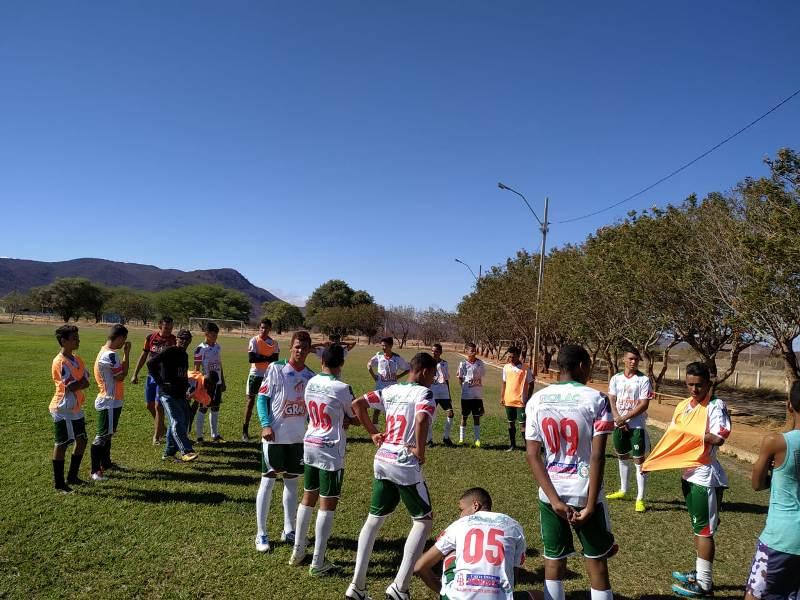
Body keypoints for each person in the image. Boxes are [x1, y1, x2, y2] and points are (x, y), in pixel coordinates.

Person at [525, 344, 616, 600]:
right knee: (596, 561)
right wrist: (589, 506)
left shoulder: (537, 400)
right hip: (584, 492)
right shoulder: (596, 399)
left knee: (554, 560)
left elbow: (533, 454)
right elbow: (598, 456)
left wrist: (554, 500)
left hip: (551, 492)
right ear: (580, 366)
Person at [345, 352, 437, 600]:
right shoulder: (425, 394)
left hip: (383, 459)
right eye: (434, 373)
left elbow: (357, 405)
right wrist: (419, 449)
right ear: (426, 372)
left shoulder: (391, 390)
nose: (435, 378)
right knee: (423, 521)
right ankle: (400, 587)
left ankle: (357, 585)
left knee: (374, 519)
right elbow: (420, 419)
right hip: (404, 462)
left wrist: (374, 432)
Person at [666, 363, 732, 598]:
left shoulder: (715, 406)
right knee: (698, 527)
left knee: (704, 531)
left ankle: (704, 584)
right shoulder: (685, 406)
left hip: (705, 477)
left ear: (709, 383)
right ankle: (699, 571)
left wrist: (690, 433)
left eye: (699, 385)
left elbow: (718, 438)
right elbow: (672, 436)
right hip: (688, 474)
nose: (694, 389)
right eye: (690, 385)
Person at [290, 344, 356, 576]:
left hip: (310, 444)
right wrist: (347, 420)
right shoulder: (343, 387)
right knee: (327, 504)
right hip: (330, 450)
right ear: (342, 364)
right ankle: (317, 562)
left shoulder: (311, 382)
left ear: (321, 362)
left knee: (308, 497)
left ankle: (298, 552)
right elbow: (354, 415)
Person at [414, 487, 534, 600]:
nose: (460, 515)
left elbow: (420, 566)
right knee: (538, 595)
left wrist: (442, 590)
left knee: (451, 551)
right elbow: (513, 578)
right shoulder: (514, 526)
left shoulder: (460, 524)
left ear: (475, 505)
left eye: (461, 510)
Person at [255, 330, 315, 553]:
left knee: (291, 482)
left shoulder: (311, 376)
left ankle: (289, 530)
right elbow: (263, 397)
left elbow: (311, 411)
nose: (300, 350)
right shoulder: (276, 368)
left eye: (304, 347)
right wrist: (265, 424)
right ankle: (261, 533)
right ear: (291, 347)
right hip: (275, 435)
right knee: (268, 480)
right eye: (297, 346)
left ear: (309, 350)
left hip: (298, 438)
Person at [745, 380, 800, 600]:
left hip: (782, 537)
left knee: (755, 595)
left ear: (789, 405)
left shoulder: (775, 442)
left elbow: (757, 484)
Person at [605, 346, 653, 512]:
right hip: (619, 424)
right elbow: (611, 398)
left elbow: (643, 404)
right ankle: (623, 490)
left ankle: (640, 498)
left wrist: (624, 418)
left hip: (636, 426)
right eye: (630, 358)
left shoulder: (643, 380)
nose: (633, 362)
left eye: (636, 359)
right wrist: (617, 418)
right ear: (623, 359)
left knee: (639, 461)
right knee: (622, 456)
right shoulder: (616, 378)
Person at [49, 324, 91, 493]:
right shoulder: (60, 362)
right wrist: (79, 382)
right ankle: (60, 484)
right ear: (64, 341)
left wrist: (79, 383)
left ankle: (72, 477)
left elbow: (85, 380)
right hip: (62, 408)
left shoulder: (77, 359)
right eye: (74, 338)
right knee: (62, 443)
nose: (78, 340)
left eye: (77, 337)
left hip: (75, 407)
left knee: (81, 440)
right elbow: (73, 386)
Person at [147, 329, 198, 463]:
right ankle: (186, 451)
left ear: (190, 341)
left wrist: (188, 388)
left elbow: (182, 375)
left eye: (187, 339)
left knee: (182, 421)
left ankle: (169, 453)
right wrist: (161, 383)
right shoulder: (169, 351)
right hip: (167, 394)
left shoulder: (184, 355)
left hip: (180, 394)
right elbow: (151, 364)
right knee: (176, 421)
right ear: (177, 339)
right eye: (181, 338)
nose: (184, 341)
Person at [90, 324, 131, 481]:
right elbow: (121, 376)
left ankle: (106, 463)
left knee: (108, 434)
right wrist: (127, 354)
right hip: (108, 401)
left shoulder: (106, 352)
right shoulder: (110, 355)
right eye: (124, 339)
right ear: (120, 338)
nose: (123, 343)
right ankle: (95, 471)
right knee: (102, 436)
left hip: (113, 400)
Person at [131, 316, 176, 444]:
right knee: (149, 405)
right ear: (160, 326)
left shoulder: (174, 340)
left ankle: (156, 437)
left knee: (158, 406)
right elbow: (144, 355)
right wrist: (135, 373)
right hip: (151, 376)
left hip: (164, 378)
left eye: (171, 327)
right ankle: (162, 428)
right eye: (166, 327)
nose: (169, 330)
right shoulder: (150, 338)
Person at [244, 318, 279, 442]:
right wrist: (267, 358)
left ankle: (268, 429)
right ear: (259, 328)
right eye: (262, 327)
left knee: (268, 402)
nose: (263, 330)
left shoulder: (274, 343)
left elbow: (275, 360)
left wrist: (262, 357)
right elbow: (252, 358)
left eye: (266, 328)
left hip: (268, 376)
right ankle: (245, 430)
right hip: (255, 375)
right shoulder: (254, 340)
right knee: (250, 402)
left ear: (270, 329)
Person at [192, 321, 226, 443]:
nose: (215, 337)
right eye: (213, 334)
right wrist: (199, 385)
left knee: (215, 407)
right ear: (206, 333)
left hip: (217, 383)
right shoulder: (200, 349)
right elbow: (196, 370)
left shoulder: (217, 347)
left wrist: (222, 381)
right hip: (205, 385)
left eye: (216, 334)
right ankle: (199, 437)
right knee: (203, 408)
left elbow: (219, 364)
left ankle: (215, 435)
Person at [367, 336, 410, 425]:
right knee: (376, 411)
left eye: (385, 346)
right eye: (382, 345)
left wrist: (399, 376)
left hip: (392, 389)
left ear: (391, 346)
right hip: (380, 388)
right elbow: (369, 364)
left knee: (390, 412)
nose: (383, 348)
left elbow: (408, 368)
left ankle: (390, 432)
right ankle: (376, 432)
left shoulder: (397, 358)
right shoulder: (379, 356)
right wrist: (373, 376)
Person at [500, 346, 534, 451]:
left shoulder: (525, 368)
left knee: (523, 426)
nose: (511, 359)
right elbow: (504, 383)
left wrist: (528, 398)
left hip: (521, 402)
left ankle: (528, 448)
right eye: (509, 357)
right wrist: (502, 397)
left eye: (513, 357)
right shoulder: (506, 367)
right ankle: (512, 445)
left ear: (518, 356)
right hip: (508, 400)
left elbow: (531, 383)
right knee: (511, 424)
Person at [457, 342, 485, 447]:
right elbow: (460, 378)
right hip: (466, 396)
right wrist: (464, 389)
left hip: (477, 395)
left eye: (475, 350)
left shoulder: (480, 363)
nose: (473, 352)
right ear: (466, 351)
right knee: (464, 417)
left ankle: (477, 440)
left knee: (476, 417)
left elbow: (481, 375)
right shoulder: (462, 364)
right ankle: (461, 439)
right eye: (471, 350)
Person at [431, 343, 455, 446]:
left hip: (444, 393)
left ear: (440, 352)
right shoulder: (428, 364)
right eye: (432, 351)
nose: (434, 353)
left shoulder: (445, 363)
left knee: (450, 413)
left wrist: (449, 394)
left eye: (436, 351)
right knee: (430, 417)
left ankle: (446, 437)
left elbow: (446, 379)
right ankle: (429, 440)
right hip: (433, 393)